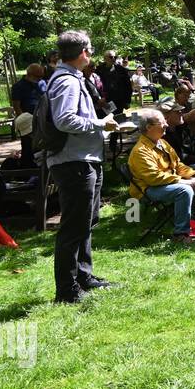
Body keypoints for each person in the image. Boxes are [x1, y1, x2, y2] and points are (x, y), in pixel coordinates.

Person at [47, 30, 121, 304]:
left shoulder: (74, 78)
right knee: (74, 226)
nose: (90, 55)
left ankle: (83, 276)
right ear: (83, 53)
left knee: (86, 222)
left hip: (85, 158)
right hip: (73, 161)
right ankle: (66, 290)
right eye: (89, 51)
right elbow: (64, 120)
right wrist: (101, 124)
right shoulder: (66, 81)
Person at [128, 108, 195, 243]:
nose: (166, 125)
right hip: (150, 189)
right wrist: (184, 182)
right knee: (184, 190)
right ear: (149, 127)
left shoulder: (162, 143)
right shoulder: (141, 151)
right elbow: (154, 178)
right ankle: (181, 234)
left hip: (167, 181)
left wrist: (193, 176)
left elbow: (178, 165)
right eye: (162, 122)